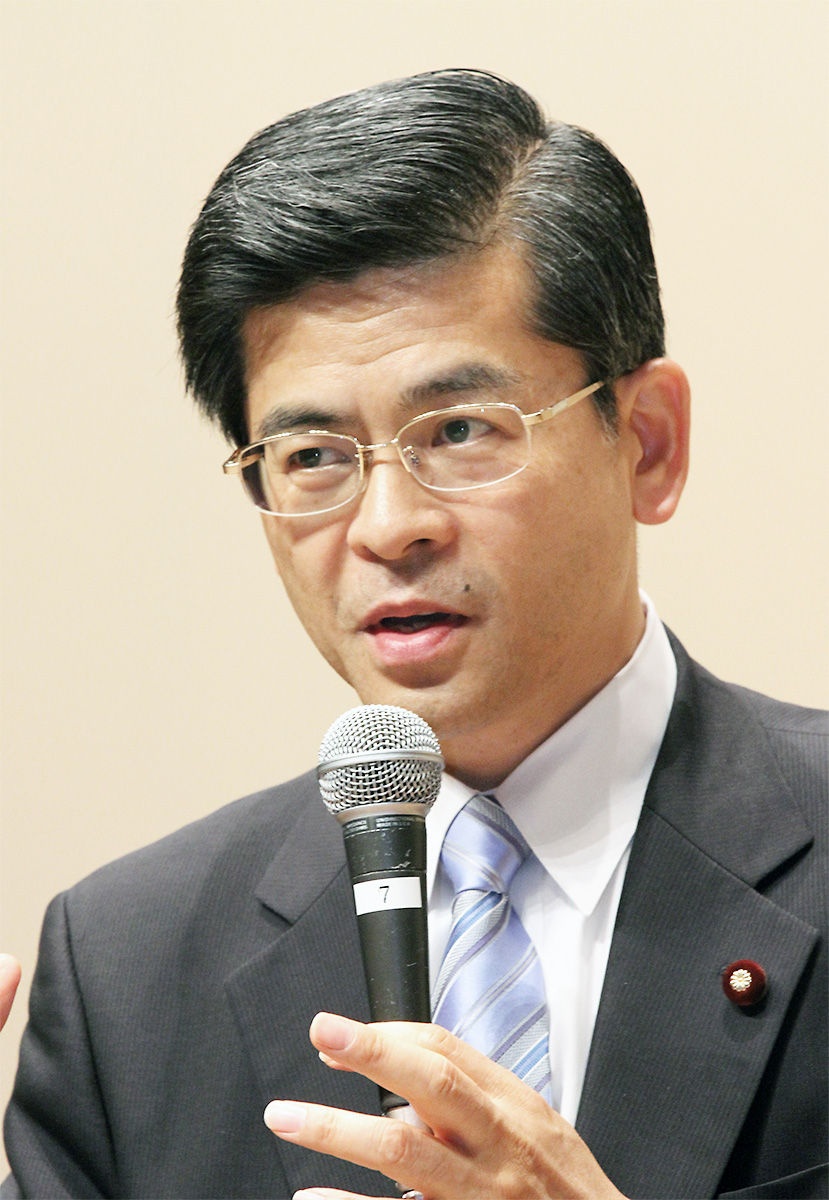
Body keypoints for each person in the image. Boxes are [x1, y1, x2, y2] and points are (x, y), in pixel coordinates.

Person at [3, 70, 826, 1200]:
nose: (389, 526)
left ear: (646, 442)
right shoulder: (125, 971)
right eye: (311, 457)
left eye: (460, 431)